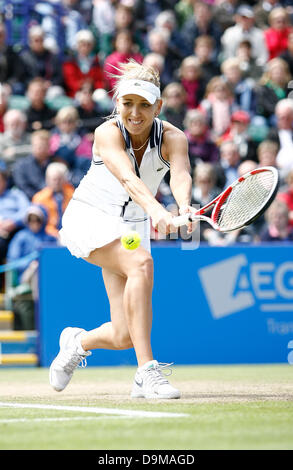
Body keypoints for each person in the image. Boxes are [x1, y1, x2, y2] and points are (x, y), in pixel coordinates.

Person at [49, 59, 196, 399]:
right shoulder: (106, 133)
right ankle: (147, 372)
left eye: (144, 105)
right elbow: (129, 179)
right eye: (128, 103)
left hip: (130, 227)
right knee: (141, 262)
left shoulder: (174, 138)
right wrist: (158, 210)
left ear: (158, 106)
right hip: (90, 217)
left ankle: (77, 342)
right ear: (118, 103)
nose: (135, 112)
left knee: (124, 334)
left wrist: (184, 207)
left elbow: (180, 174)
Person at [6, 204, 57, 330]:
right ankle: (39, 302)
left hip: (48, 277)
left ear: (43, 220)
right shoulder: (20, 237)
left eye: (37, 219)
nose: (34, 223)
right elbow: (13, 261)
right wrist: (32, 263)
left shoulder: (50, 238)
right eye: (31, 219)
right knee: (36, 268)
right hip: (25, 277)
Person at [32, 162, 75, 237]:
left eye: (59, 179)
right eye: (54, 179)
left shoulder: (73, 195)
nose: (57, 182)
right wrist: (55, 234)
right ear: (47, 180)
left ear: (64, 180)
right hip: (47, 236)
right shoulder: (39, 198)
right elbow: (37, 223)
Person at [0, 163, 30, 265]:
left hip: (15, 230)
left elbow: (26, 211)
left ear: (5, 181)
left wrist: (13, 222)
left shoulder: (16, 195)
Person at [63, 29, 105, 98]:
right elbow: (70, 81)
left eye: (88, 45)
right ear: (78, 45)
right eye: (83, 44)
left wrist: (91, 85)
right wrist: (82, 85)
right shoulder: (70, 60)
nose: (85, 47)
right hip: (76, 93)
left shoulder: (96, 61)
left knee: (101, 94)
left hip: (93, 91)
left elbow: (100, 81)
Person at [12, 130, 52, 200]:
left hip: (53, 201)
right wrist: (40, 198)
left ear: (49, 146)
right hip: (31, 202)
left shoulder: (55, 163)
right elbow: (23, 187)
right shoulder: (21, 166)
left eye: (44, 146)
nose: (40, 149)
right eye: (38, 146)